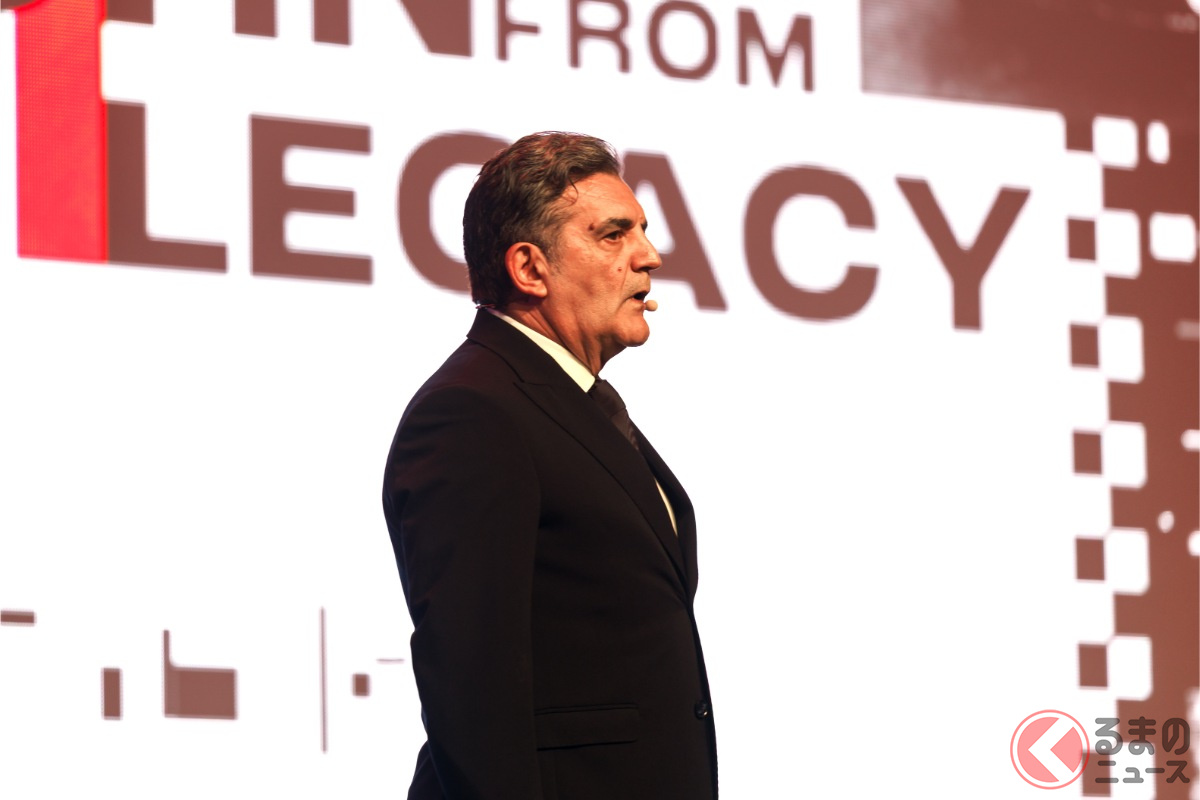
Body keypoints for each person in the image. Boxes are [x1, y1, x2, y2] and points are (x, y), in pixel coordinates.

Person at [382, 132, 717, 799]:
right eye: (613, 235)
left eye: (641, 231)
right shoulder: (472, 413)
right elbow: (471, 685)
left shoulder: (574, 404)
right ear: (530, 269)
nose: (649, 255)